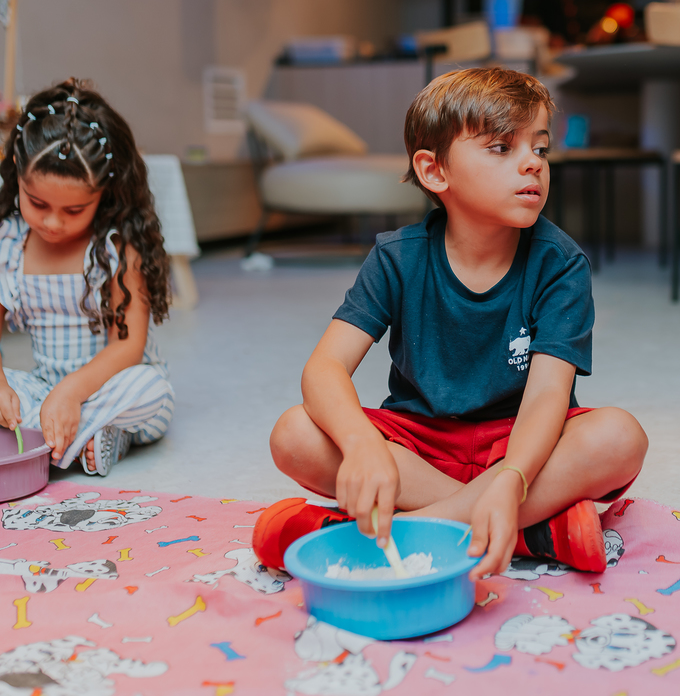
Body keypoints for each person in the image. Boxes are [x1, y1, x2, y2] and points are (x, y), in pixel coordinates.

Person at [253, 67, 647, 578]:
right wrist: (362, 445)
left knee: (619, 437)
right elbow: (324, 368)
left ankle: (409, 528)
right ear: (434, 171)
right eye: (502, 147)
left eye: (540, 148)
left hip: (519, 447)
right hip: (418, 448)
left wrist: (513, 477)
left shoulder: (560, 264)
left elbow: (547, 396)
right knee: (294, 433)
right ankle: (530, 532)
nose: (533, 163)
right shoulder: (397, 257)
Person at [0, 79, 174, 477]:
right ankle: (71, 440)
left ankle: (23, 441)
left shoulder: (116, 248)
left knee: (149, 389)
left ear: (104, 192)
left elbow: (128, 347)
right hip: (43, 390)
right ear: (17, 174)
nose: (53, 223)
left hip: (107, 389)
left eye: (74, 210)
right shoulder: (8, 245)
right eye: (37, 203)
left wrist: (71, 393)